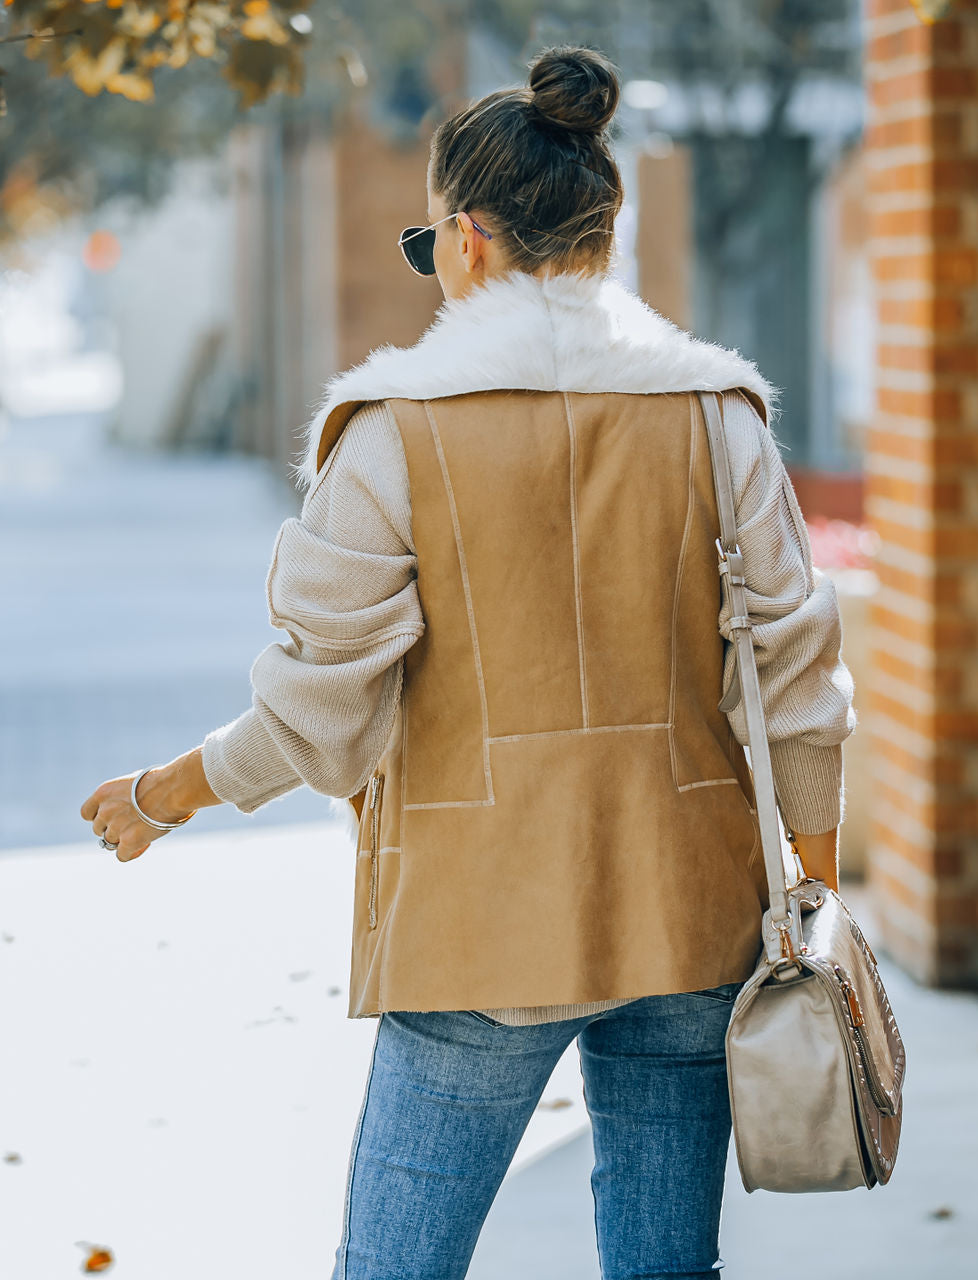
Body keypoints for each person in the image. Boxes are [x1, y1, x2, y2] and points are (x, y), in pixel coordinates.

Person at [81, 44, 855, 1280]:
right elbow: (797, 676)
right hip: (693, 904)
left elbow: (320, 707)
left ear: (464, 239)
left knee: (395, 1264)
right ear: (602, 228)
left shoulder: (391, 437)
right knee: (667, 1267)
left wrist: (166, 794)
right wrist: (809, 882)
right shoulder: (717, 417)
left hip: (479, 922)